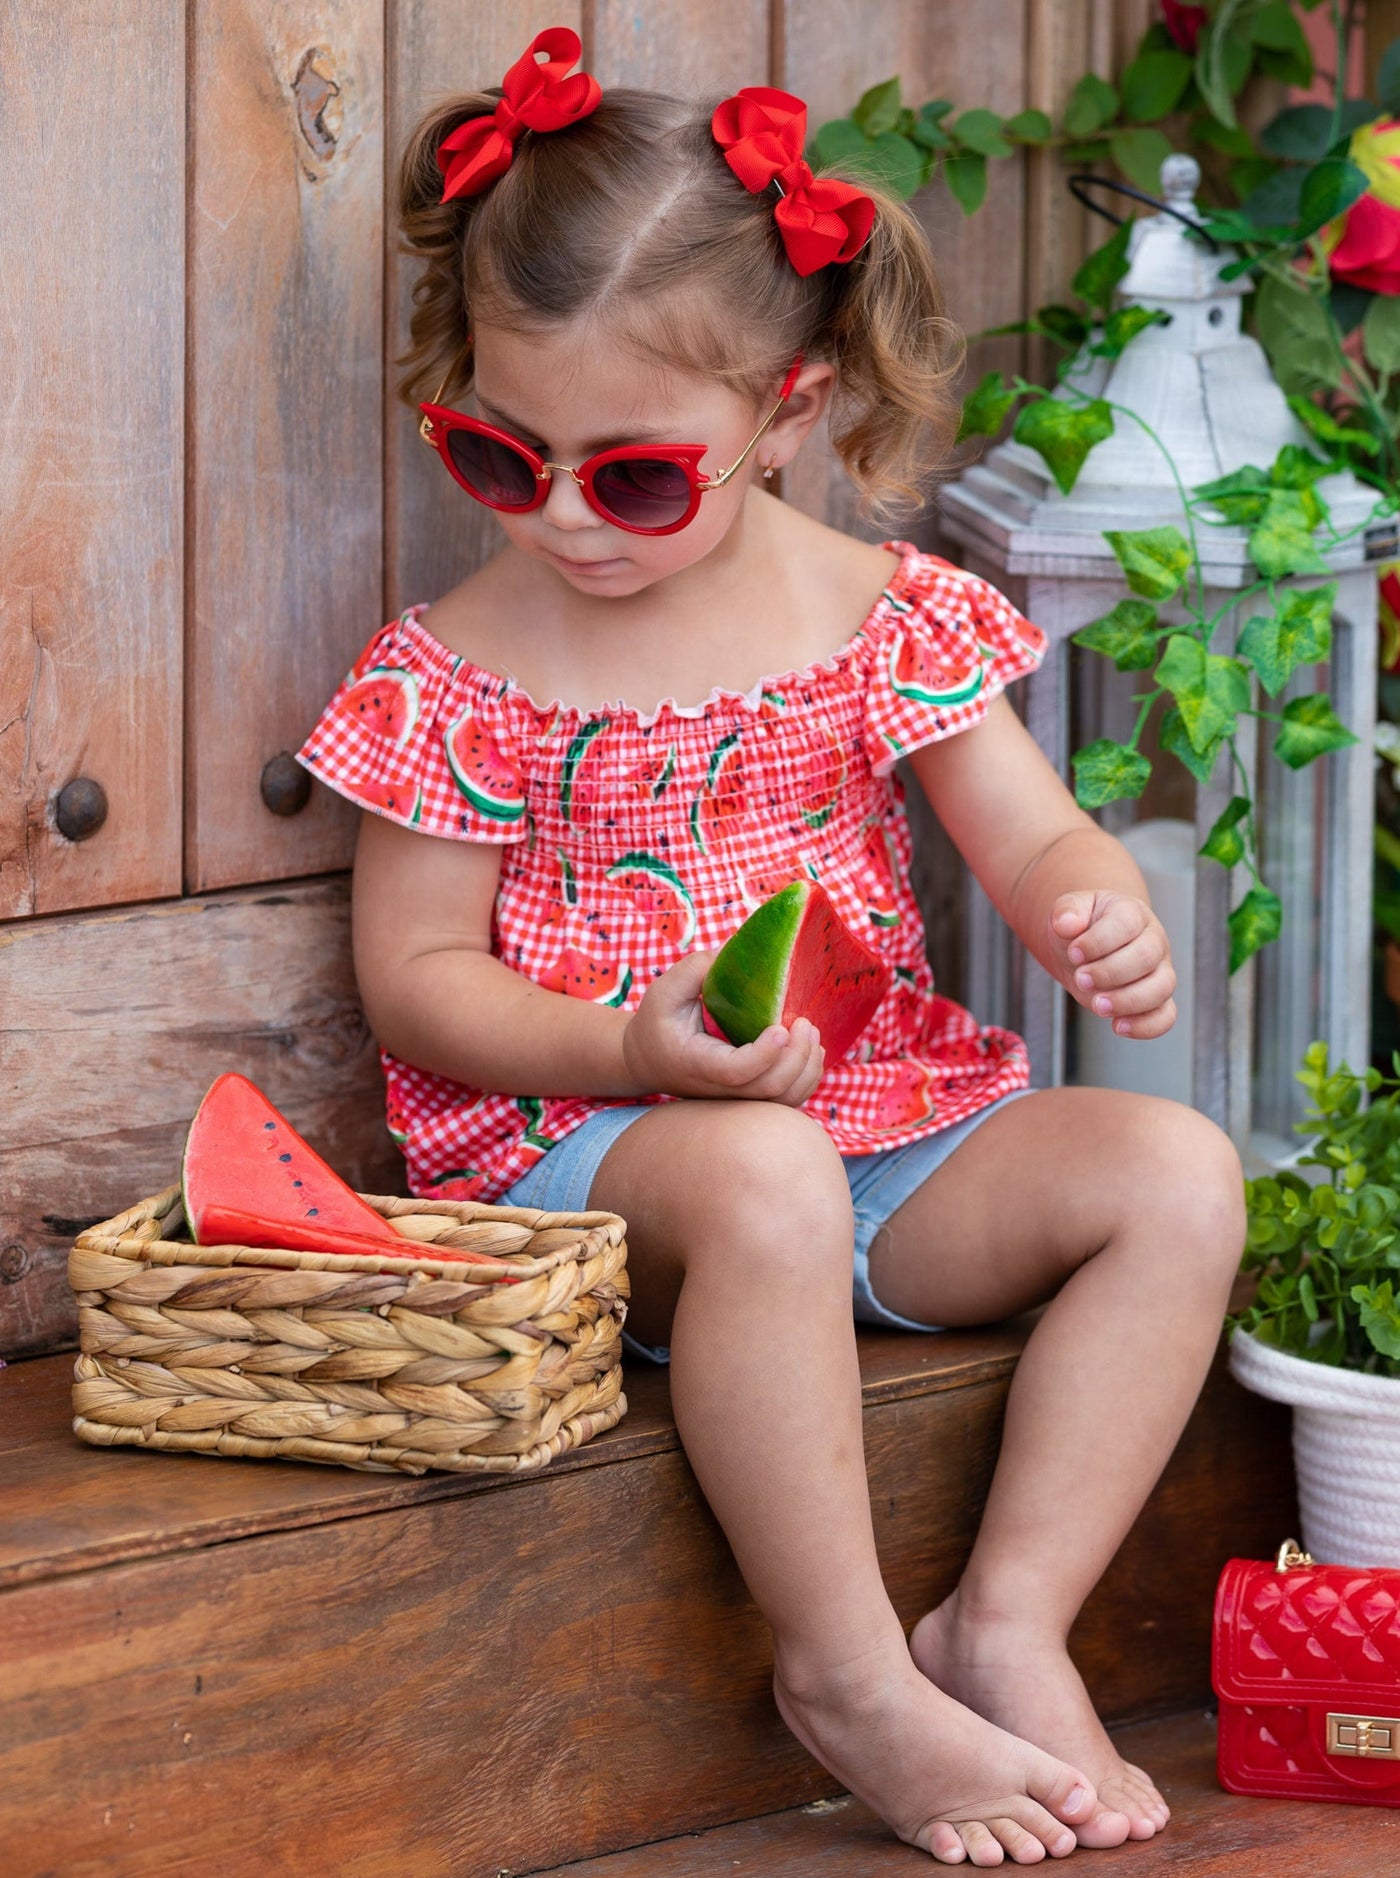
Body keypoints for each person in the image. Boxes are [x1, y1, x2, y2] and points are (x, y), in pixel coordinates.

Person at [297, 29, 1244, 1867]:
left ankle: (1007, 1619)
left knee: (1178, 1176)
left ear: (790, 409)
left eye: (635, 476)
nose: (563, 514)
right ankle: (846, 1667)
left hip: (885, 1135)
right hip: (611, 1171)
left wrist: (1085, 903)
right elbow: (415, 978)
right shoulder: (459, 671)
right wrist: (635, 1052)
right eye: (500, 452)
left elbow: (1029, 827)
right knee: (764, 1175)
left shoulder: (876, 615)